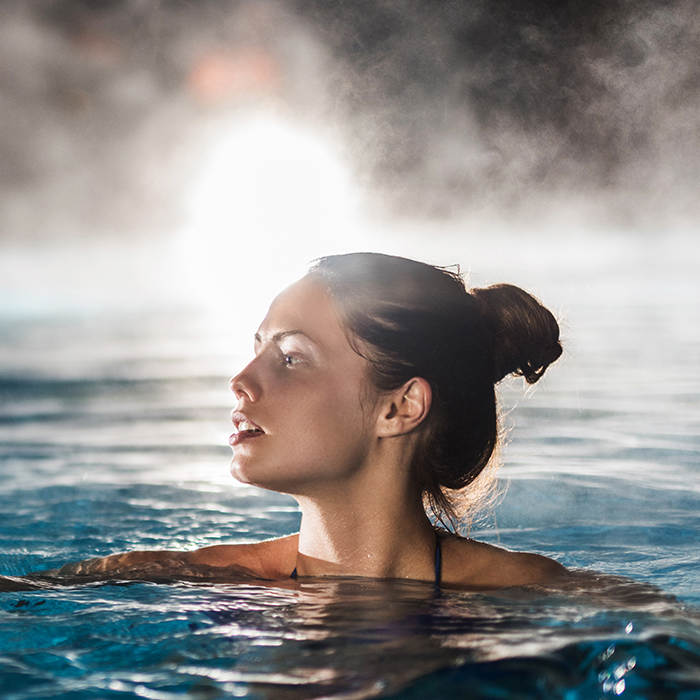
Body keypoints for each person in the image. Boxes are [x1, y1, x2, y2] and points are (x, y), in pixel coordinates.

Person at [3, 252, 567, 591]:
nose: (241, 379)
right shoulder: (179, 578)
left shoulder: (538, 596)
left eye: (291, 358)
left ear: (400, 408)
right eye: (256, 350)